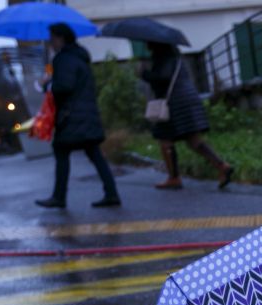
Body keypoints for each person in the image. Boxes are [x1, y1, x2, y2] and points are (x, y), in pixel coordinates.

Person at [36, 23, 121, 208]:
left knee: (61, 151)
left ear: (60, 38)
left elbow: (64, 87)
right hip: (85, 114)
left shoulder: (63, 59)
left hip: (71, 117)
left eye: (52, 38)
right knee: (95, 154)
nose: (50, 42)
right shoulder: (80, 57)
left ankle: (59, 197)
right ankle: (111, 193)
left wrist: (48, 84)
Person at [141, 42, 233, 190]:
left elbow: (163, 78)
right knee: (194, 140)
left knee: (165, 139)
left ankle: (173, 178)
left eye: (149, 44)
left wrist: (145, 74)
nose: (147, 46)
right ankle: (222, 166)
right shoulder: (176, 58)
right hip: (189, 98)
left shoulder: (164, 59)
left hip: (175, 103)